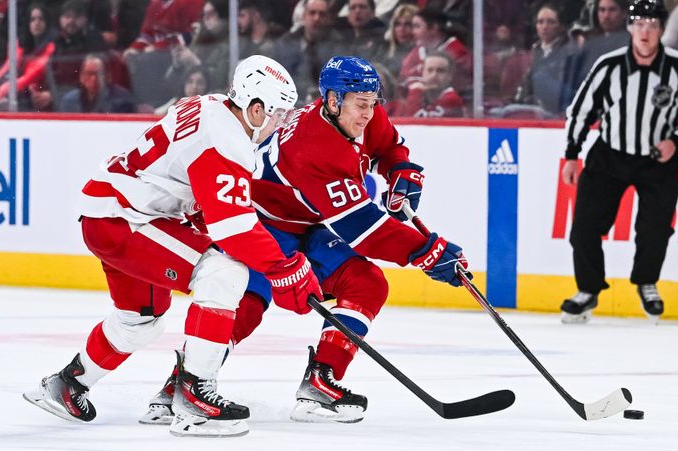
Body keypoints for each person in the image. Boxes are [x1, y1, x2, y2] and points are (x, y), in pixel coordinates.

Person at [141, 56, 470, 425]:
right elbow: (362, 228)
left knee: (366, 283)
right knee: (248, 304)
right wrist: (425, 251)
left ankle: (320, 381)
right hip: (265, 224)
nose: (368, 112)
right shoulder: (312, 146)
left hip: (312, 223)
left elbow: (389, 146)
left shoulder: (364, 113)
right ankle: (181, 385)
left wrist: (400, 169)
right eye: (361, 103)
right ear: (333, 100)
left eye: (374, 101)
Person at [24, 55, 323, 439]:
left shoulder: (212, 107)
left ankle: (65, 385)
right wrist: (286, 269)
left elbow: (196, 195)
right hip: (124, 219)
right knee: (224, 271)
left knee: (140, 320)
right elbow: (234, 228)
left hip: (117, 211)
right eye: (278, 113)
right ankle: (194, 400)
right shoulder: (226, 138)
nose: (279, 124)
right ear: (255, 108)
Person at [560, 0, 678, 323]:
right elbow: (581, 110)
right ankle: (587, 290)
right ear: (629, 28)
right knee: (585, 226)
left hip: (658, 160)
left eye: (652, 25)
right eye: (639, 24)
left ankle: (647, 282)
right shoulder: (609, 66)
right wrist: (572, 154)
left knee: (655, 228)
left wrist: (676, 139)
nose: (645, 31)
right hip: (609, 155)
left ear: (661, 29)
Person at [58, 53, 135, 113]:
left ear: (108, 76)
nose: (94, 79)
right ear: (81, 76)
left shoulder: (122, 100)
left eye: (99, 74)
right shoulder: (70, 101)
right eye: (89, 73)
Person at [398, 51, 465, 117]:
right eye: (430, 70)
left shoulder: (452, 98)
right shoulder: (422, 96)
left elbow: (415, 122)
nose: (434, 75)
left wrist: (415, 92)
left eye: (440, 71)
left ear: (450, 75)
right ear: (422, 72)